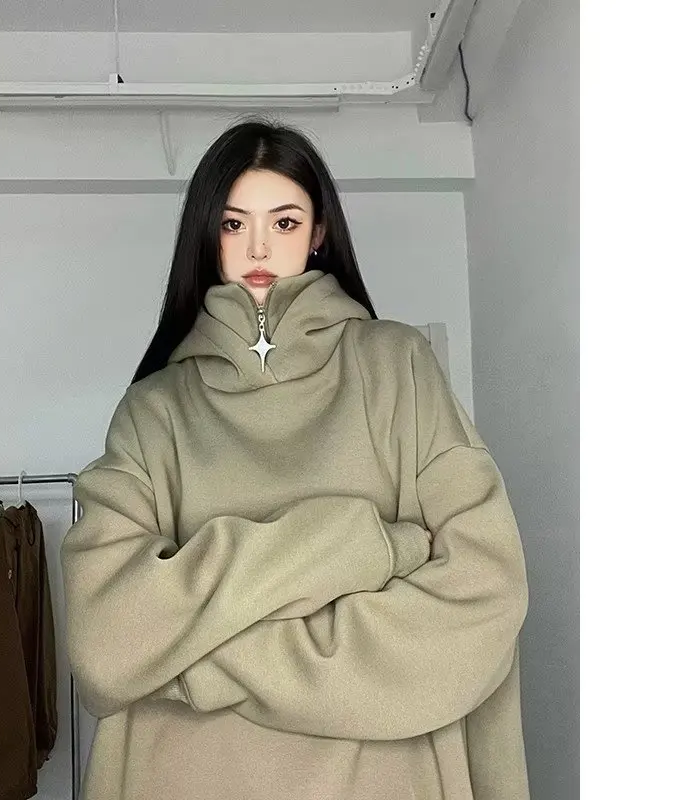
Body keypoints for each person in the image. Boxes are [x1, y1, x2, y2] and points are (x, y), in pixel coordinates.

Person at [61, 118, 530, 800]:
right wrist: (362, 545)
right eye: (233, 224)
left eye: (283, 222)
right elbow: (105, 640)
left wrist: (193, 658)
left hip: (384, 780)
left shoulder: (398, 366)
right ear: (207, 236)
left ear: (318, 234)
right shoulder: (153, 410)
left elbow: (483, 596)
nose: (258, 247)